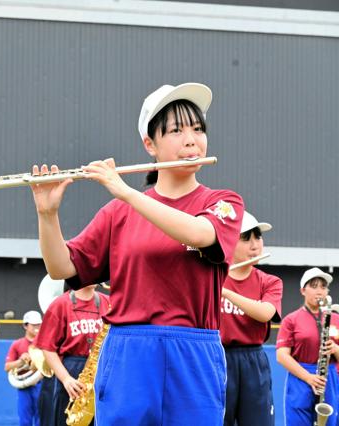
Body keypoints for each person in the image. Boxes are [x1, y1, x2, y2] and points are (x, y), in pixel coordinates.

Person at [29, 82, 244, 425]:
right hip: (128, 352)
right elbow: (61, 268)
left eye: (198, 129)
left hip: (194, 352)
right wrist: (47, 215)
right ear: (150, 144)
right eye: (176, 131)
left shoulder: (222, 202)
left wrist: (124, 191)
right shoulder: (118, 214)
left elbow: (202, 233)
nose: (192, 139)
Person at [220, 211, 283, 426]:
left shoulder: (269, 282)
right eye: (246, 238)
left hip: (253, 360)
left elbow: (266, 313)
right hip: (218, 359)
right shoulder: (211, 276)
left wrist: (226, 293)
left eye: (258, 237)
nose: (255, 245)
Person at [35, 286, 109, 426]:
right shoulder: (60, 304)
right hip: (71, 373)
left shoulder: (108, 302)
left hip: (101, 371)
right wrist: (66, 379)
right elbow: (47, 348)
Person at [277, 268, 339, 426]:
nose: (320, 291)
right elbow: (282, 356)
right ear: (303, 290)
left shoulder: (335, 318)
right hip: (301, 377)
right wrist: (308, 377)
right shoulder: (291, 319)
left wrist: (335, 349)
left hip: (328, 377)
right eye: (314, 286)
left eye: (323, 287)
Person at [5, 310, 43, 426]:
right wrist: (21, 361)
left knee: (41, 420)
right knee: (25, 420)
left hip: (41, 384)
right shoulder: (17, 344)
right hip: (24, 387)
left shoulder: (44, 342)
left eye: (39, 324)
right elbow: (7, 367)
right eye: (34, 324)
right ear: (25, 325)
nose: (37, 327)